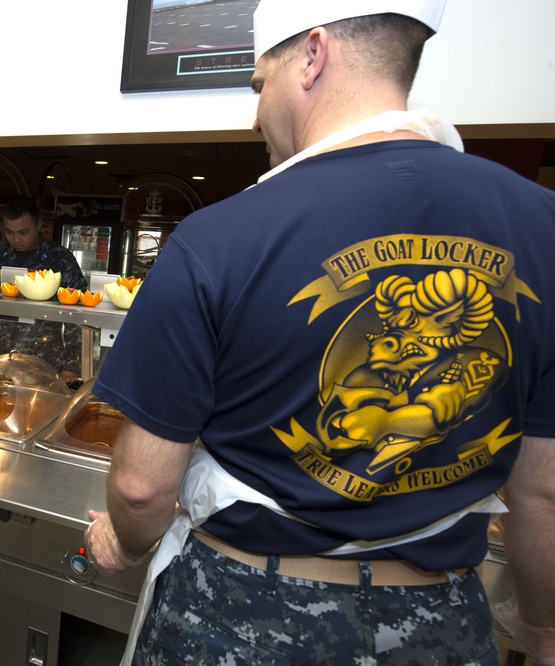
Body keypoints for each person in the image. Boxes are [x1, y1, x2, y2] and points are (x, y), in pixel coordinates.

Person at [84, 2, 555, 664]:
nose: (255, 115)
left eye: (259, 84)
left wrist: (126, 543)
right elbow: (543, 491)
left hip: (239, 615)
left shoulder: (220, 237)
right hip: (440, 624)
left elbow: (140, 487)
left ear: (312, 55)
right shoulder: (545, 226)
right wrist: (544, 636)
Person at [0, 196, 90, 382]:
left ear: (38, 225)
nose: (16, 239)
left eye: (23, 232)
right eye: (9, 232)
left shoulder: (60, 258)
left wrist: (72, 366)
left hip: (44, 360)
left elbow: (77, 314)